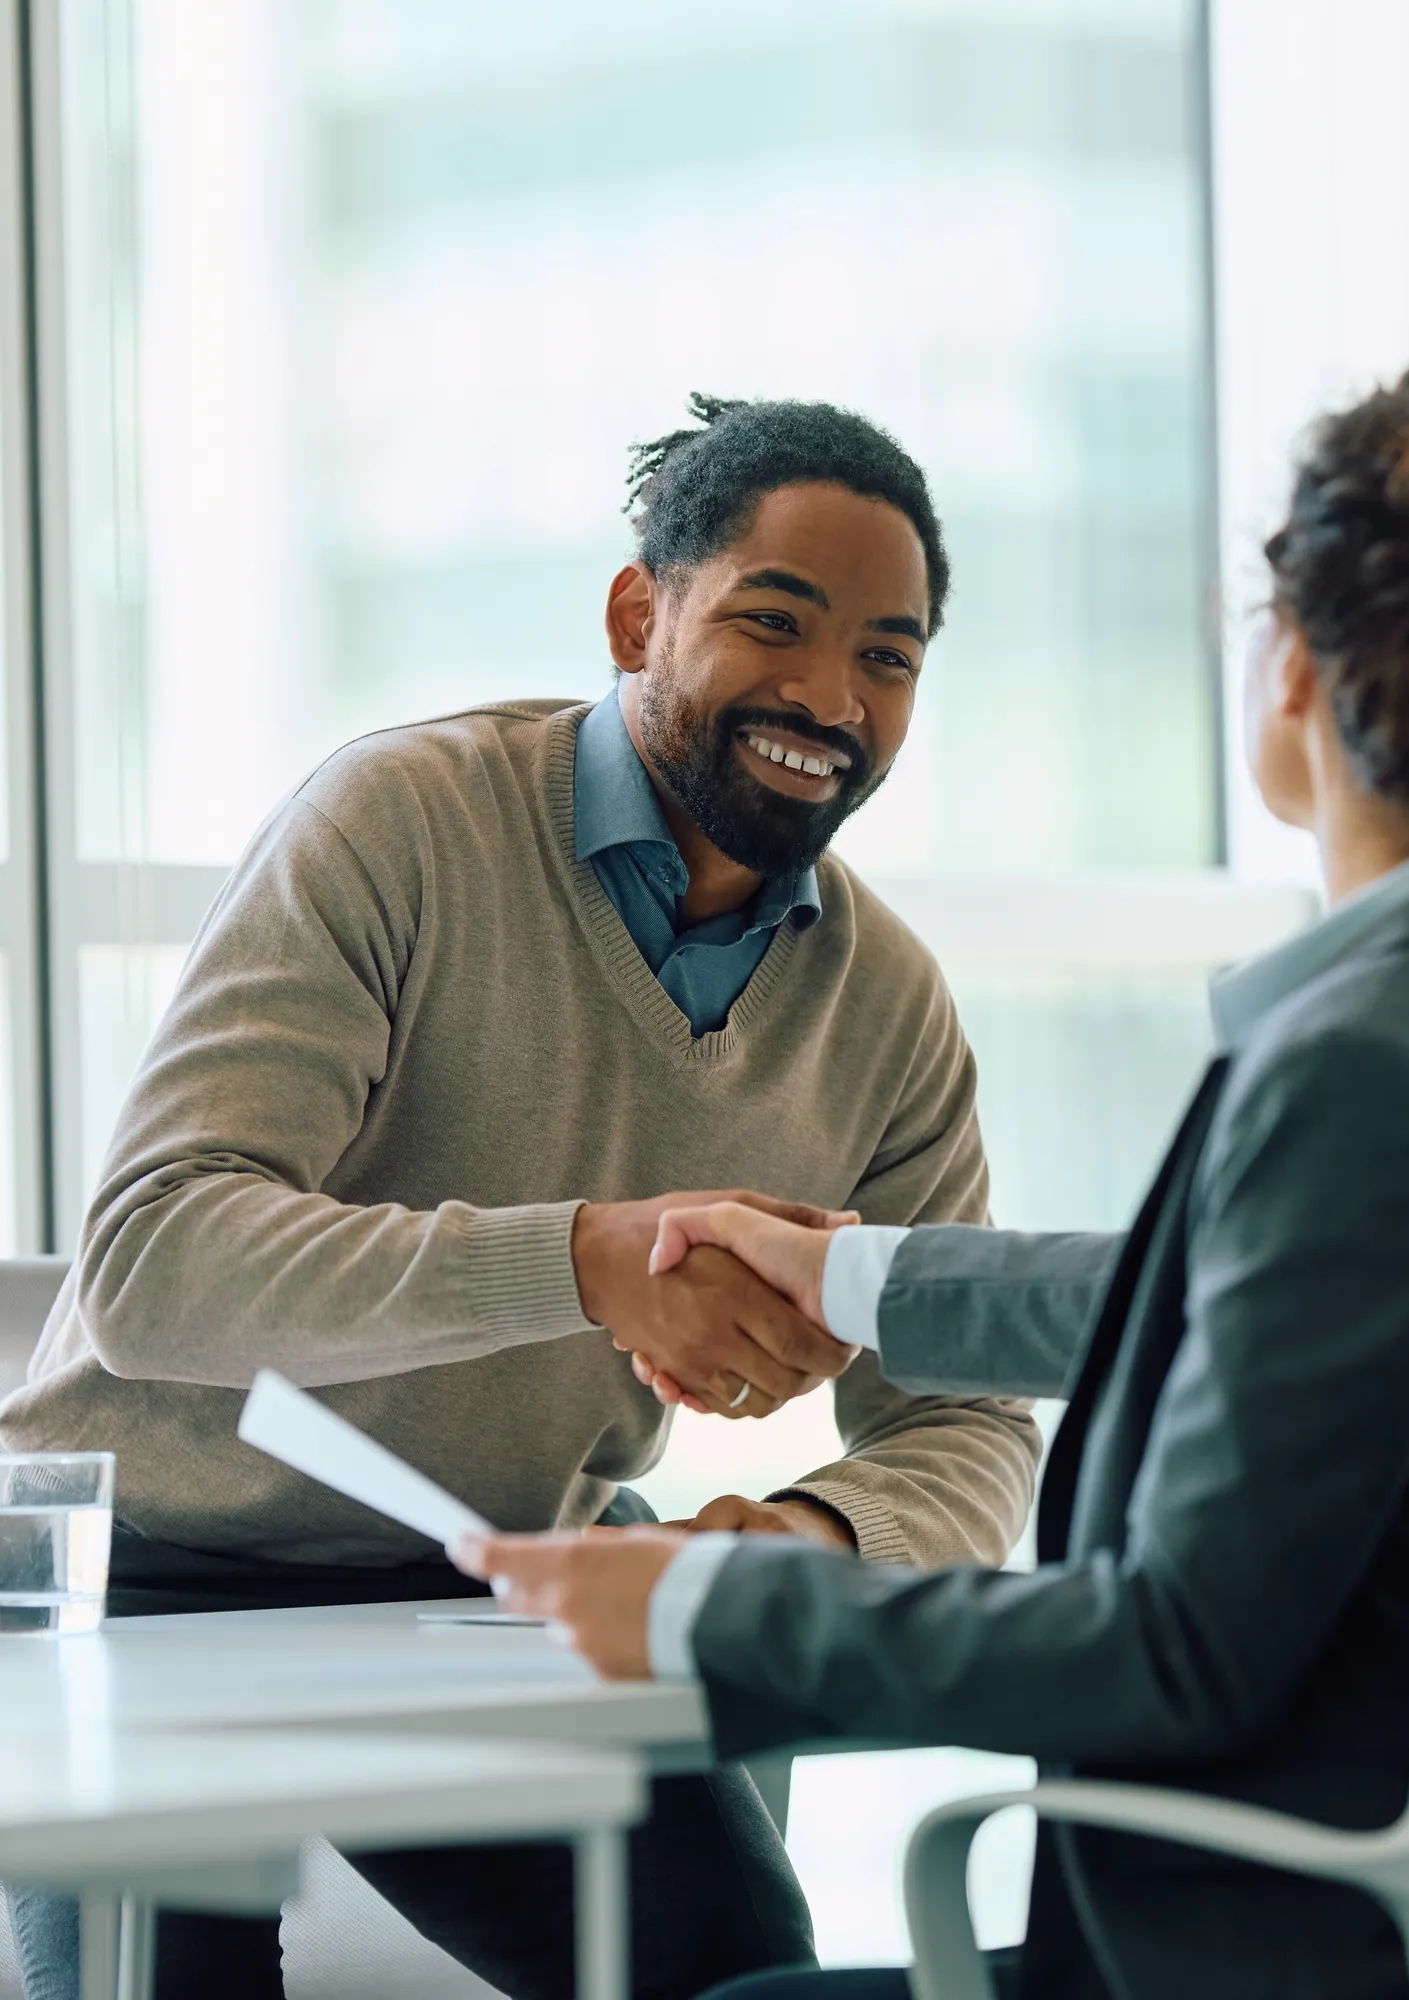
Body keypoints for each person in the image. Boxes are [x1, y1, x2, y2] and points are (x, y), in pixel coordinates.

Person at [453, 361, 1409, 2000]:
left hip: (1240, 1950)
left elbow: (1165, 1651)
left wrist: (705, 1609)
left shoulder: (1363, 1067)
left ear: (1302, 674)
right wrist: (848, 1275)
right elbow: (1268, 1295)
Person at [0, 395, 1041, 2000]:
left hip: (487, 1590)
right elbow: (153, 1261)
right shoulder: (399, 824)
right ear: (642, 612)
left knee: (739, 1980)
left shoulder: (885, 1002)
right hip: (141, 1590)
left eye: (887, 658)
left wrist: (819, 1525)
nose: (828, 697)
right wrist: (584, 1260)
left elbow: (963, 1417)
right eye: (775, 622)